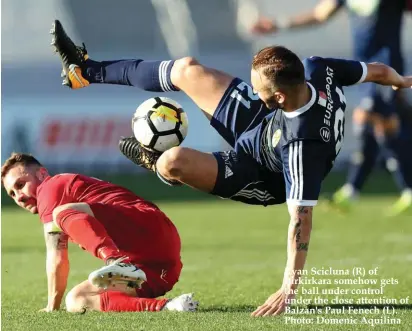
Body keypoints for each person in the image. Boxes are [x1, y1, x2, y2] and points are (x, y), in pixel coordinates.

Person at [50, 19, 412, 316]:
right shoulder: (317, 68)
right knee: (188, 69)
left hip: (261, 172)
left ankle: (155, 162)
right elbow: (376, 70)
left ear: (280, 95)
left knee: (174, 161)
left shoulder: (302, 147)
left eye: (258, 87)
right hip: (265, 123)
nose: (251, 90)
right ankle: (86, 70)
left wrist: (289, 288)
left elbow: (300, 221)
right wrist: (400, 80)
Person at [251, 0, 412, 215]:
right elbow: (320, 14)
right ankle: (405, 189)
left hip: (387, 65)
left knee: (366, 119)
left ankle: (353, 190)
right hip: (363, 65)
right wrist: (278, 24)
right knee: (385, 128)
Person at [1, 153, 198, 313]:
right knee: (77, 300)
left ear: (42, 174)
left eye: (20, 184)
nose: (19, 196)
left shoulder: (49, 188)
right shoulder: (62, 190)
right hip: (161, 270)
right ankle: (169, 306)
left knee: (61, 213)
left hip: (147, 226)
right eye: (12, 194)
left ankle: (116, 262)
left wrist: (51, 308)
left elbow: (57, 257)